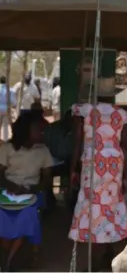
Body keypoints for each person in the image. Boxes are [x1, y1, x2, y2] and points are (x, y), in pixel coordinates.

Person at [68, 100, 127, 272]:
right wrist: (125, 175)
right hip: (113, 166)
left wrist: (72, 170)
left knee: (93, 211)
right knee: (111, 209)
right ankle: (109, 256)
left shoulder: (83, 110)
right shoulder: (122, 113)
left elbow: (78, 142)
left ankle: (97, 262)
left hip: (93, 165)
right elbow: (126, 146)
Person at [0, 112, 52, 271]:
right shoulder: (8, 148)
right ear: (25, 130)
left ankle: (9, 261)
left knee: (27, 216)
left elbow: (47, 179)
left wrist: (32, 189)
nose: (41, 132)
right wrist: (11, 187)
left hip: (32, 192)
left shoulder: (43, 150)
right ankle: (12, 254)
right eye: (38, 129)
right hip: (8, 191)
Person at [44, 110, 77, 209]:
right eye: (70, 120)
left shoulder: (77, 131)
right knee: (45, 173)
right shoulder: (52, 128)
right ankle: (49, 201)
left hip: (68, 162)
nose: (71, 123)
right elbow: (45, 146)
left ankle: (72, 199)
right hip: (51, 160)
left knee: (77, 171)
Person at [0, 76, 16, 141]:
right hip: (6, 109)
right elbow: (13, 101)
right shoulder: (10, 90)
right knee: (6, 126)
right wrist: (14, 106)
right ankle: (5, 140)